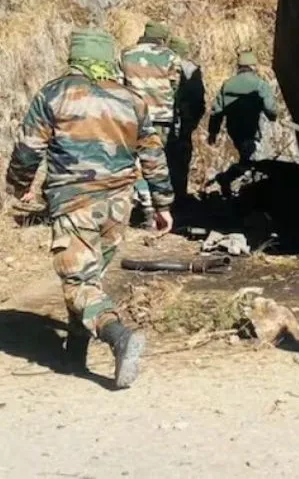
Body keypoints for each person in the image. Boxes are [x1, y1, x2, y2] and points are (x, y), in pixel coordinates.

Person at [5, 28, 173, 388]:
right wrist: (162, 203)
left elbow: (28, 149)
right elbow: (153, 155)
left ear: (74, 56)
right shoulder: (132, 99)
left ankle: (118, 336)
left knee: (78, 282)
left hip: (75, 201)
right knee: (90, 277)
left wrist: (19, 187)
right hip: (119, 205)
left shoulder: (55, 93)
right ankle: (74, 353)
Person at [121, 22, 183, 221]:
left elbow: (118, 84)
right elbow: (176, 86)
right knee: (157, 161)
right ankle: (158, 207)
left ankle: (142, 203)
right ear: (162, 38)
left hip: (132, 116)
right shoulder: (170, 56)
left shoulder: (126, 54)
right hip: (161, 117)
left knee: (134, 161)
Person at [207, 50, 278, 195]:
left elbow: (217, 111)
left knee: (247, 158)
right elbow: (270, 108)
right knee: (256, 161)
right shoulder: (260, 84)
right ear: (253, 66)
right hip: (253, 129)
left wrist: (213, 132)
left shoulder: (227, 84)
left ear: (239, 66)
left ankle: (238, 184)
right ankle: (242, 186)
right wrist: (273, 118)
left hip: (234, 130)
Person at [167, 36, 205, 206]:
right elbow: (199, 100)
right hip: (184, 121)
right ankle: (179, 195)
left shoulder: (161, 64)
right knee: (182, 159)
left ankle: (160, 196)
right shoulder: (193, 70)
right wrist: (191, 123)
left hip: (161, 121)